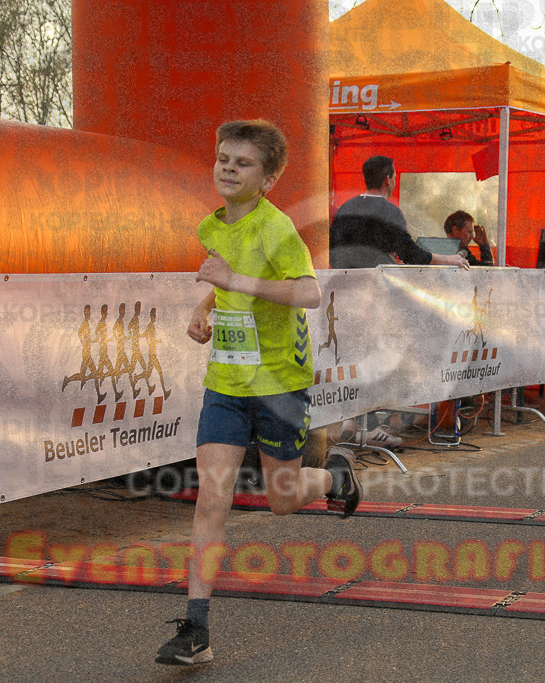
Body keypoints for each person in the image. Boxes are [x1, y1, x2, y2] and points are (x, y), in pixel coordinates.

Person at [156, 120, 362, 666]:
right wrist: (202, 314)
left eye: (242, 163)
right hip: (225, 383)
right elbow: (224, 286)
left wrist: (235, 283)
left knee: (282, 499)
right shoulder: (212, 226)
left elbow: (309, 293)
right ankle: (195, 631)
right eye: (223, 158)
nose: (227, 168)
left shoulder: (276, 231)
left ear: (268, 179)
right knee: (211, 499)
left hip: (278, 385)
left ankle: (335, 477)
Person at [329, 156, 470, 270]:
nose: (394, 182)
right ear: (387, 180)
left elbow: (333, 254)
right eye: (394, 177)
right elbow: (411, 254)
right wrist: (449, 259)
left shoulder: (345, 209)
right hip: (378, 292)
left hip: (345, 291)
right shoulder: (391, 213)